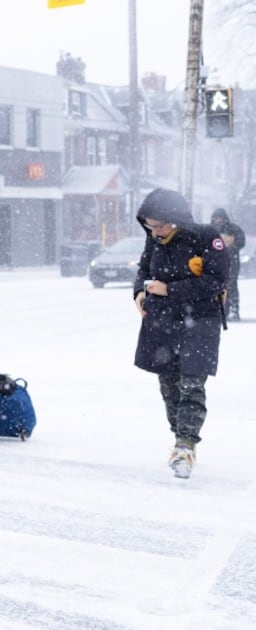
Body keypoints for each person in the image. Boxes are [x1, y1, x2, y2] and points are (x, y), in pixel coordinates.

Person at [134, 189, 229, 479]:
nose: (155, 231)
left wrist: (171, 289)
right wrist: (139, 292)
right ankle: (180, 435)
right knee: (169, 385)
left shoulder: (205, 237)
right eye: (150, 225)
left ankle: (185, 444)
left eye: (160, 225)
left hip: (199, 322)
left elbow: (217, 280)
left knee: (191, 383)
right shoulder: (155, 240)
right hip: (162, 322)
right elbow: (142, 270)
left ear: (175, 219)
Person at [210, 207, 245, 321]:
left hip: (231, 262)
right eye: (216, 218)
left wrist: (231, 247)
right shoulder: (209, 230)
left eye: (220, 218)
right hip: (214, 263)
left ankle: (233, 310)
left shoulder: (233, 229)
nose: (218, 220)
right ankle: (220, 310)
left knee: (231, 285)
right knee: (216, 286)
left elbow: (241, 242)